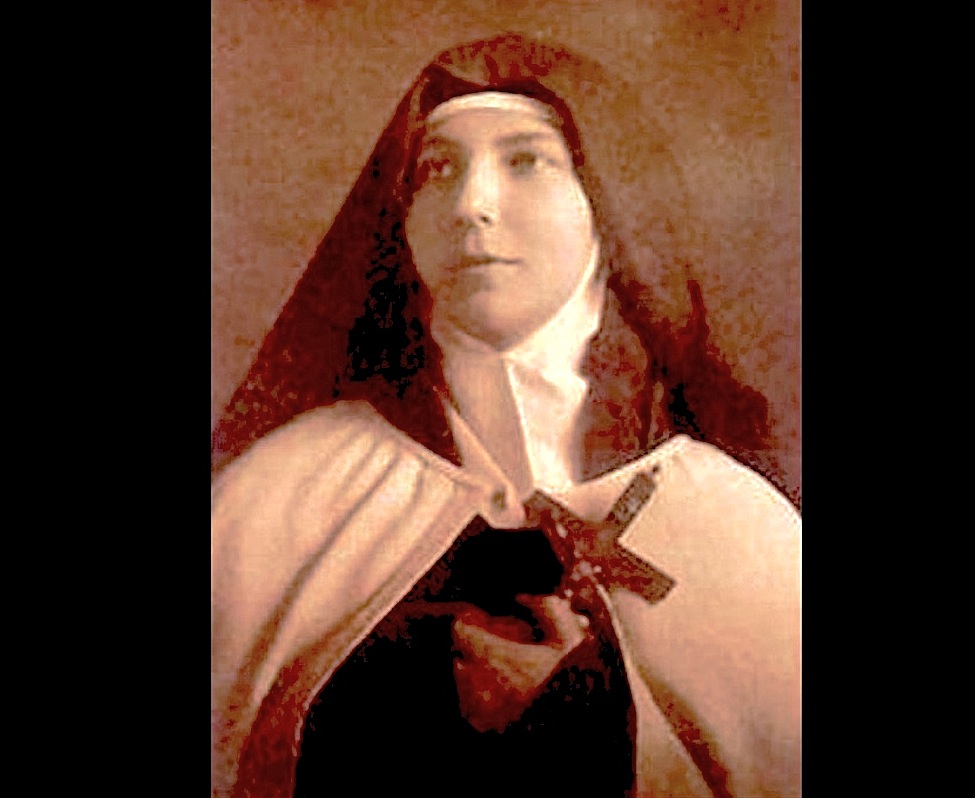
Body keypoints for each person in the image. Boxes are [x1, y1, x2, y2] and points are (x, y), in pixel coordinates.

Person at [211, 32, 800, 798]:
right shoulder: (279, 497)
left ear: (608, 205)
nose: (470, 206)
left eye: (526, 161)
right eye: (436, 169)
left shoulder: (733, 525)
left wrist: (588, 706)